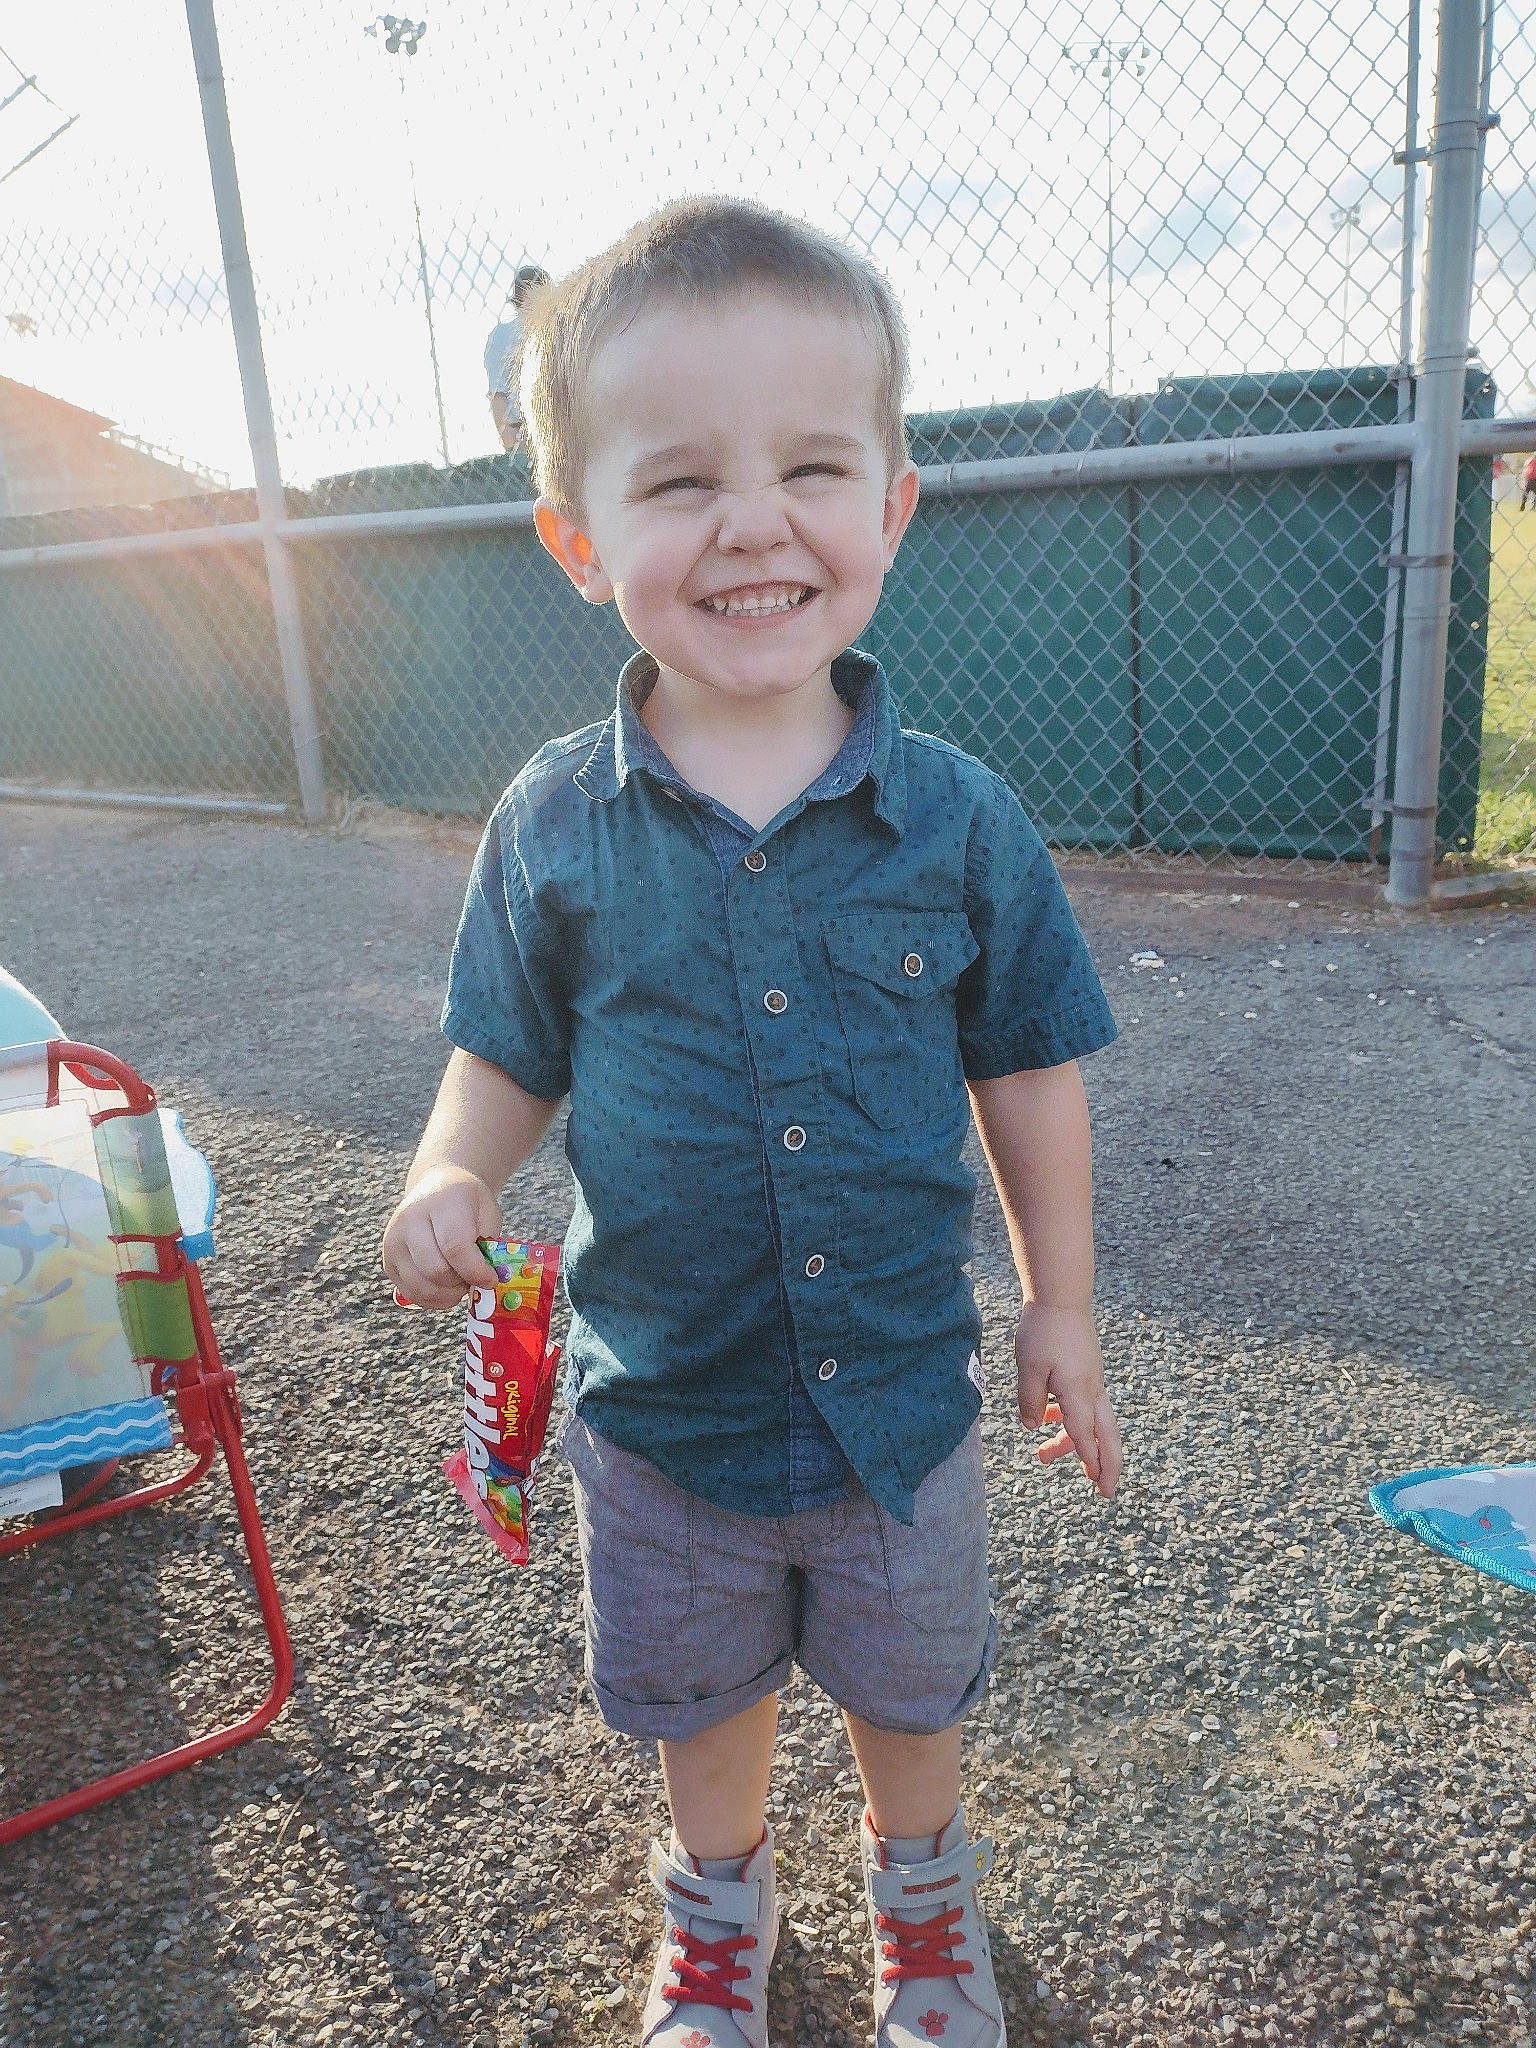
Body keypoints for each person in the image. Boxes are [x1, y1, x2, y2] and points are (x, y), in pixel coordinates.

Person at [383, 196, 1122, 2048]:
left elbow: (1026, 1059)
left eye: (810, 464)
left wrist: (1064, 1302)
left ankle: (920, 1891)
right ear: (576, 535)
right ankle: (717, 1909)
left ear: (892, 503)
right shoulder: (552, 825)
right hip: (667, 1404)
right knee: (698, 1690)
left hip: (896, 1398)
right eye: (679, 479)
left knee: (908, 1678)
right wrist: (449, 1164)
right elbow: (507, 1044)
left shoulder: (958, 819)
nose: (752, 521)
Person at [483, 264, 549, 452]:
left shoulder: (557, 331)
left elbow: (498, 394)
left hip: (535, 429)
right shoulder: (504, 335)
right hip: (525, 430)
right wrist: (511, 445)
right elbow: (498, 394)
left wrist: (510, 445)